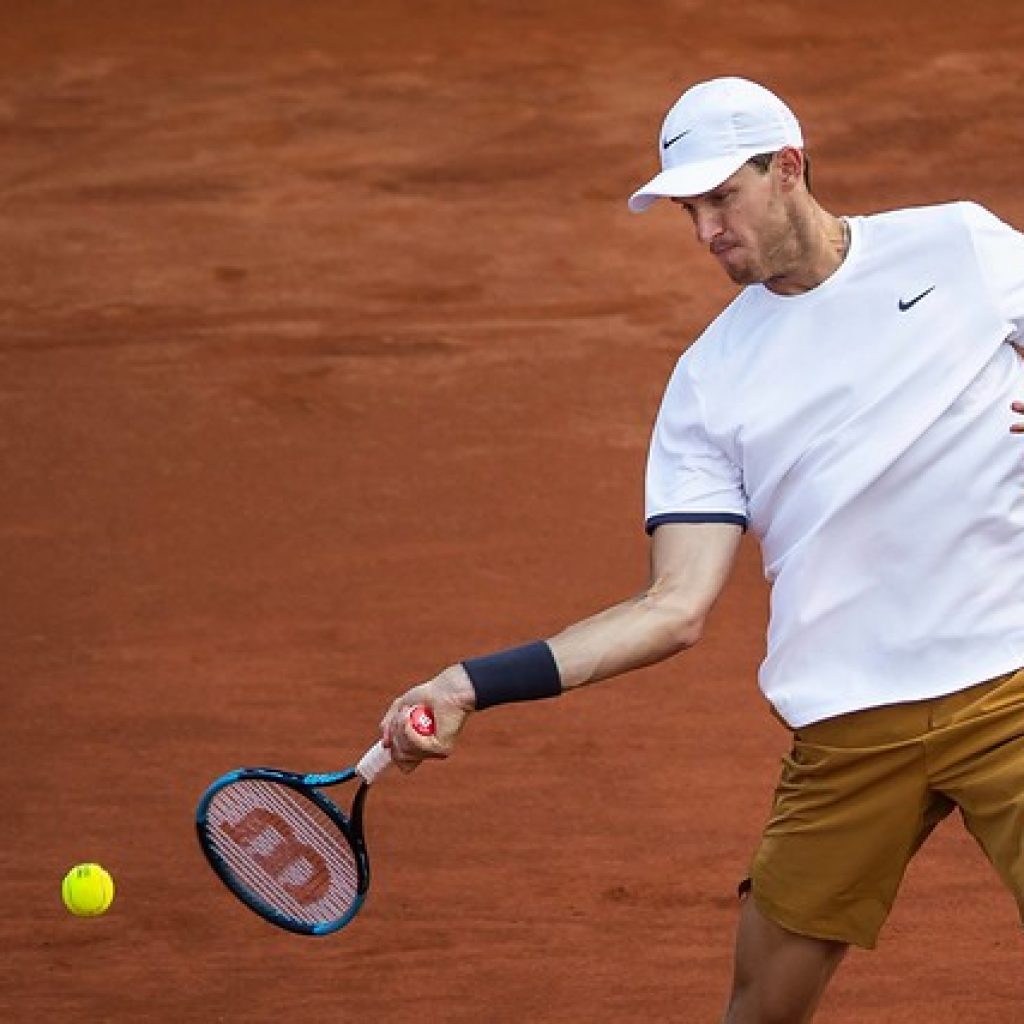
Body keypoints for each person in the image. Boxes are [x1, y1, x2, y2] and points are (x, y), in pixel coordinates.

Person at [378, 76, 1024, 1023]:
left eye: (723, 198)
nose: (706, 231)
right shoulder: (709, 383)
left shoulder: (959, 246)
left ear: (790, 168)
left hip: (1009, 685)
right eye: (690, 208)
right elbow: (672, 609)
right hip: (849, 728)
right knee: (760, 1010)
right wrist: (468, 683)